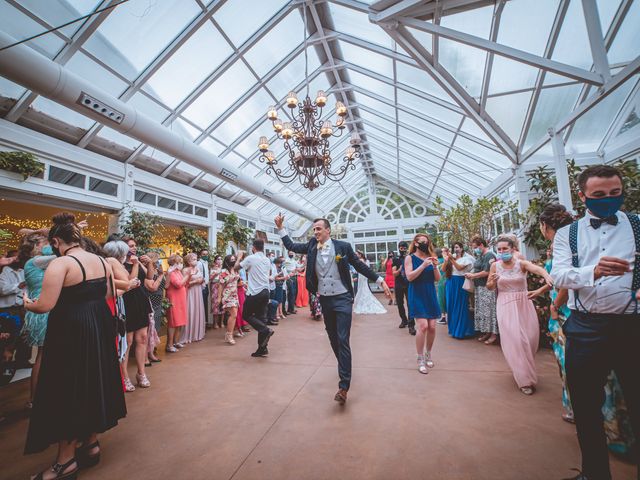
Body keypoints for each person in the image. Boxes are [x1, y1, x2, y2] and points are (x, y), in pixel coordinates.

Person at [551, 165, 639, 480]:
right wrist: (593, 271)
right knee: (587, 408)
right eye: (599, 195)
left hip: (632, 326)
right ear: (583, 195)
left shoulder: (638, 225)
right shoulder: (568, 234)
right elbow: (558, 274)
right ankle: (595, 474)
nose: (608, 200)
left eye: (615, 194)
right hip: (585, 328)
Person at [22, 213, 126, 479]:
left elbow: (45, 304)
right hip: (99, 326)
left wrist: (27, 303)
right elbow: (109, 294)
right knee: (92, 382)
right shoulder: (102, 261)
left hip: (71, 331)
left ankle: (65, 462)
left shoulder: (62, 264)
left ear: (56, 241)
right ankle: (90, 445)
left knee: (67, 388)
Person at [276, 214, 391, 405]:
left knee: (343, 338)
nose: (315, 232)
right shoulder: (312, 246)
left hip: (343, 297)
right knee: (333, 339)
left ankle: (343, 386)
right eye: (314, 230)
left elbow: (359, 265)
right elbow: (291, 246)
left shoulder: (343, 247)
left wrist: (380, 280)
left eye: (319, 229)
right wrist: (281, 228)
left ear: (328, 230)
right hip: (325, 299)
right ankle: (345, 364)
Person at [487, 236, 553, 395]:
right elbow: (489, 286)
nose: (502, 252)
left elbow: (537, 269)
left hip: (524, 303)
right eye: (499, 249)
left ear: (513, 249)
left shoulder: (521, 263)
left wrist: (546, 276)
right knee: (515, 340)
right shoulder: (495, 266)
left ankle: (522, 367)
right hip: (505, 304)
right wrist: (493, 282)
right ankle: (524, 380)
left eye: (505, 249)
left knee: (530, 339)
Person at [121, 236, 154, 390]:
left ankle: (141, 373)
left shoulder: (138, 261)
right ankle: (124, 376)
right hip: (127, 304)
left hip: (141, 302)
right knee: (127, 342)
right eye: (130, 246)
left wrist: (150, 262)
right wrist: (134, 264)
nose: (134, 248)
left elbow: (149, 277)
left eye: (134, 245)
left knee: (142, 339)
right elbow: (130, 281)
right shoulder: (119, 263)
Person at [404, 234, 441, 374]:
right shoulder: (410, 258)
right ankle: (419, 358)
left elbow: (437, 279)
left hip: (430, 293)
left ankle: (428, 353)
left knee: (432, 326)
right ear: (416, 243)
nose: (425, 244)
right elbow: (409, 277)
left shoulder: (431, 256)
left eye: (427, 242)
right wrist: (423, 265)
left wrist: (435, 267)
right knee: (423, 326)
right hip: (417, 293)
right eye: (422, 242)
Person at [237, 239, 274, 357]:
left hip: (255, 292)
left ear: (253, 247)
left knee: (246, 315)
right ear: (263, 247)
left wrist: (239, 257)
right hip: (265, 291)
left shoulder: (251, 258)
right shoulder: (267, 259)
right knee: (261, 318)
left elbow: (237, 267)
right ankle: (262, 349)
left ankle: (265, 330)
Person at [466, 236, 498, 344]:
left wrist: (473, 275)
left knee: (490, 311)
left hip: (487, 287)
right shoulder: (481, 255)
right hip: (479, 287)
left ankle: (493, 334)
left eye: (475, 247)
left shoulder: (489, 255)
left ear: (481, 245)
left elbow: (487, 271)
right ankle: (487, 331)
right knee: (483, 312)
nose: (474, 249)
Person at [443, 242, 475, 339]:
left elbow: (459, 268)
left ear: (461, 248)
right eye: (454, 247)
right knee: (451, 305)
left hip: (460, 282)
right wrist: (446, 260)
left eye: (457, 247)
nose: (455, 249)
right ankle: (453, 329)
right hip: (450, 282)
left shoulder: (467, 258)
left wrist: (452, 259)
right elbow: (444, 269)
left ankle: (463, 331)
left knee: (460, 305)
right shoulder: (451, 257)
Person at [165, 255, 191, 353]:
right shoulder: (171, 273)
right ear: (173, 264)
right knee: (173, 321)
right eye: (178, 263)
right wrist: (188, 275)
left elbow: (185, 283)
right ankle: (169, 344)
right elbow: (178, 284)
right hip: (174, 298)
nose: (180, 265)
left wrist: (189, 276)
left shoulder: (178, 272)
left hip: (181, 298)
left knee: (180, 320)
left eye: (181, 263)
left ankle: (176, 341)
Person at [145, 251, 165, 364]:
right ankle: (146, 357)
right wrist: (161, 276)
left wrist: (162, 274)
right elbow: (153, 287)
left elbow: (164, 286)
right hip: (151, 302)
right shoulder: (148, 272)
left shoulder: (158, 271)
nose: (158, 262)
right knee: (149, 330)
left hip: (158, 302)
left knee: (155, 329)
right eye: (157, 260)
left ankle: (151, 353)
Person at [182, 253, 206, 344]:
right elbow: (184, 284)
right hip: (190, 292)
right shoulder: (185, 270)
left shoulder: (198, 268)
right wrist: (196, 281)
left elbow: (201, 279)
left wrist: (202, 280)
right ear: (188, 261)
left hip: (198, 291)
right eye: (193, 259)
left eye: (196, 259)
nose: (195, 261)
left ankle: (197, 333)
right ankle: (189, 334)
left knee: (197, 310)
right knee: (190, 310)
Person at [393, 241, 415, 334]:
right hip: (398, 284)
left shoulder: (411, 257)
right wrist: (400, 268)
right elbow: (394, 273)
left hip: (409, 283)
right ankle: (404, 320)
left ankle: (411, 325)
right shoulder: (396, 259)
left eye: (404, 248)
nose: (402, 249)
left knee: (410, 304)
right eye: (401, 248)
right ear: (398, 248)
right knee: (400, 303)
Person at [218, 255, 240, 345]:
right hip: (227, 295)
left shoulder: (235, 269)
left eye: (234, 259)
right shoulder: (224, 272)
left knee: (234, 315)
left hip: (235, 294)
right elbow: (221, 285)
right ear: (227, 261)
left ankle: (229, 334)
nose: (233, 261)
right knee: (233, 314)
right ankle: (229, 335)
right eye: (231, 260)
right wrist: (219, 297)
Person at [209, 255, 223, 329]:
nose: (219, 260)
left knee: (223, 304)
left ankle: (222, 322)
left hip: (223, 286)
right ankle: (215, 323)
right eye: (218, 259)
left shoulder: (224, 268)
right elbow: (210, 278)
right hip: (215, 287)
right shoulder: (213, 269)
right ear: (215, 260)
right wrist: (217, 273)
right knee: (216, 304)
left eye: (221, 259)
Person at [435, 247, 448, 325]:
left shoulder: (437, 262)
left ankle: (443, 317)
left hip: (441, 282)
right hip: (447, 280)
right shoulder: (446, 260)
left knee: (441, 299)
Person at [198, 249, 210, 325]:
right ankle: (201, 323)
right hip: (201, 286)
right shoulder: (199, 263)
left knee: (205, 304)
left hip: (206, 286)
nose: (205, 256)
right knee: (201, 305)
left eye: (206, 254)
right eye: (203, 254)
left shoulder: (206, 263)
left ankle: (204, 322)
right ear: (200, 255)